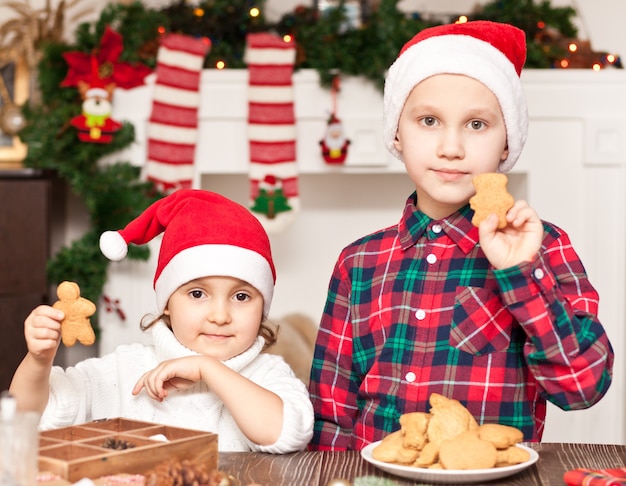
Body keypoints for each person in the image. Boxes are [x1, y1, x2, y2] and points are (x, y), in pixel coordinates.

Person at [308, 20, 614, 451]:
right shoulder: (358, 262)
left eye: (476, 125)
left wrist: (518, 274)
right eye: (429, 120)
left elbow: (583, 387)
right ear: (397, 131)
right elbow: (331, 411)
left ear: (506, 142)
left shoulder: (542, 246)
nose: (451, 147)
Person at [10, 189, 314, 453]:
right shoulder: (124, 369)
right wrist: (38, 361)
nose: (220, 316)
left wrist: (207, 368)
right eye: (197, 293)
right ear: (167, 303)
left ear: (263, 308)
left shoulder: (268, 374)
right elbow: (29, 415)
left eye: (242, 297)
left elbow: (286, 434)